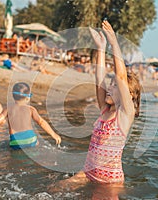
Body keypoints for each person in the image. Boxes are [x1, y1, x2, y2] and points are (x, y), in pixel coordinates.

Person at [51, 20, 141, 192]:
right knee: (52, 190)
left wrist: (114, 42)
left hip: (109, 183)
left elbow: (121, 76)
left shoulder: (124, 114)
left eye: (114, 86)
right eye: (111, 84)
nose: (110, 87)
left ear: (128, 95)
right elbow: (99, 79)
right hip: (87, 173)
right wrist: (100, 47)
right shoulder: (104, 109)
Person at [0, 82, 61, 149]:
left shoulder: (8, 109)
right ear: (28, 98)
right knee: (37, 143)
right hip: (30, 139)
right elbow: (41, 122)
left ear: (13, 96)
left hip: (15, 141)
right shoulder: (31, 109)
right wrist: (53, 134)